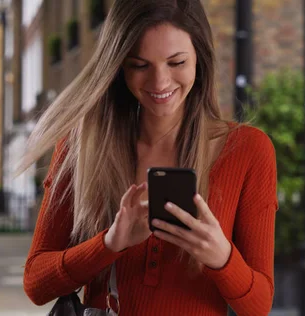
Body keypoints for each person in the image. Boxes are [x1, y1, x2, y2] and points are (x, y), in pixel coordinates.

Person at [17, 0, 278, 315]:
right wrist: (110, 243)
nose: (160, 82)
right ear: (118, 68)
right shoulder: (81, 148)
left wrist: (222, 257)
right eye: (140, 65)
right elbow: (36, 283)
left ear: (200, 59)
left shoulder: (249, 150)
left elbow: (259, 305)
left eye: (176, 62)